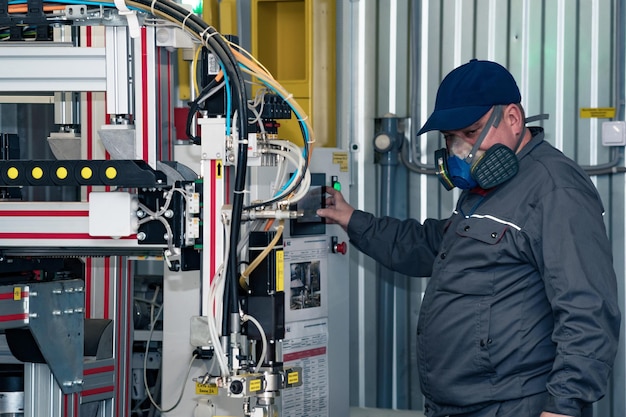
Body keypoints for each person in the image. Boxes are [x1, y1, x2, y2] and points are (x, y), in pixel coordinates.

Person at [317, 59, 621, 417]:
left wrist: (563, 407)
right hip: (459, 406)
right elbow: (431, 245)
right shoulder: (486, 187)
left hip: (514, 406)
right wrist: (352, 219)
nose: (460, 150)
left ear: (512, 118)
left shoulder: (555, 189)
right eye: (450, 138)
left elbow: (587, 310)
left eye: (472, 133)